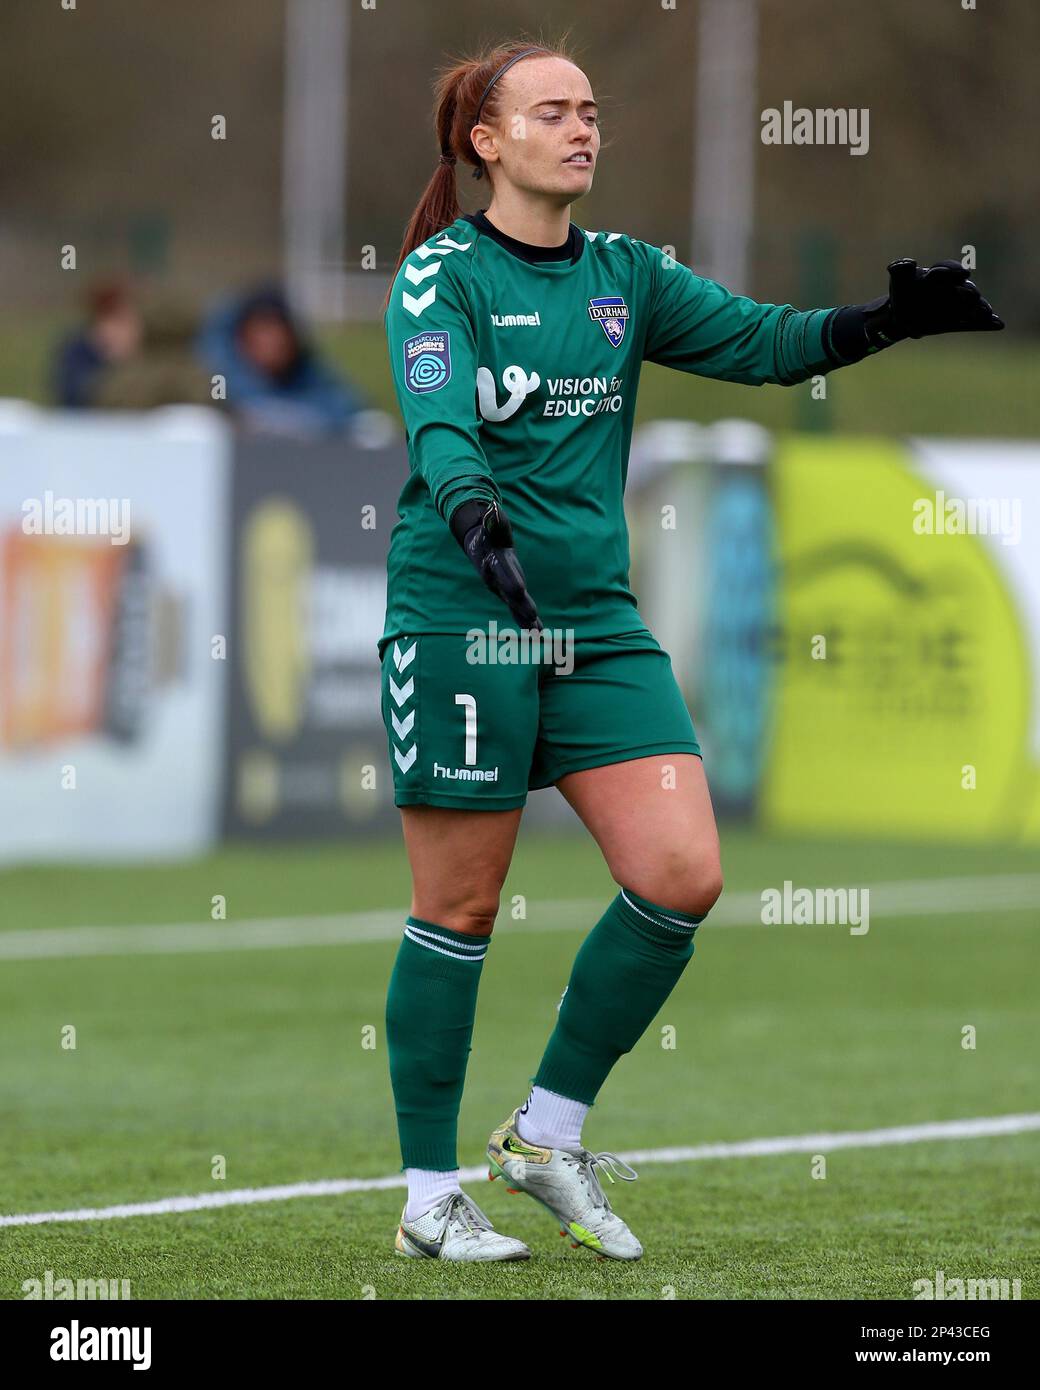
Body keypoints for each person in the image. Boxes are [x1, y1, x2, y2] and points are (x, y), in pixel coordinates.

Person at [378, 39, 1004, 1263]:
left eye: (589, 109)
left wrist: (880, 321)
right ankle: (423, 1194)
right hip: (464, 615)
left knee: (680, 871)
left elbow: (763, 342)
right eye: (549, 111)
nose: (580, 127)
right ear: (484, 144)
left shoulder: (625, 273)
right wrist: (476, 523)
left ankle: (544, 1136)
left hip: (594, 624)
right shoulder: (437, 277)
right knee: (459, 904)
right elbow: (439, 421)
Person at [198, 284, 365, 436]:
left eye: (278, 331)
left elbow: (347, 412)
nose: (273, 342)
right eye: (262, 332)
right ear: (242, 340)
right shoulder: (218, 388)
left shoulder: (318, 382)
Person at [52, 280, 143, 408]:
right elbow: (71, 393)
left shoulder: (150, 353)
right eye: (114, 322)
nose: (122, 332)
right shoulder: (76, 354)